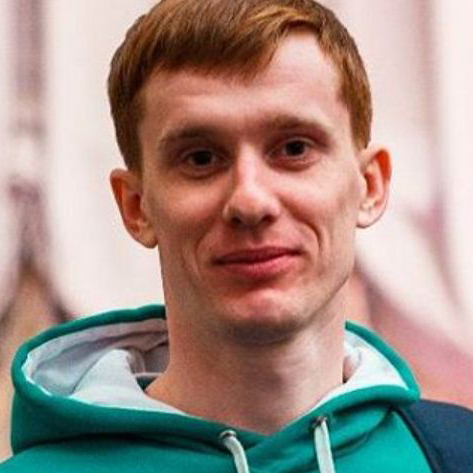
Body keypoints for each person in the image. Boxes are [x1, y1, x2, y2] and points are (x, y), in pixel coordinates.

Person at [1, 1, 472, 472]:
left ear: (370, 185)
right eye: (201, 159)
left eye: (294, 149)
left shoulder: (455, 456)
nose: (250, 201)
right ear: (136, 206)